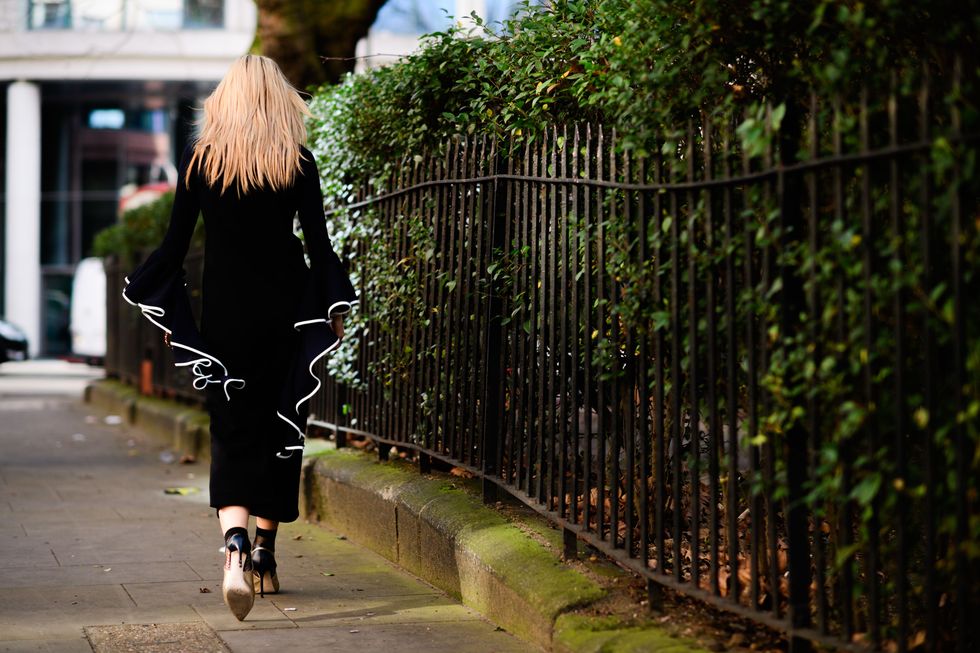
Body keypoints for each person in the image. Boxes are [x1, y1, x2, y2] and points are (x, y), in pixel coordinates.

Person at [122, 55, 357, 621]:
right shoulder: (297, 162)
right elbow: (320, 247)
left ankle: (233, 549)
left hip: (225, 312)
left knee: (232, 428)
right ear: (281, 103)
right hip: (286, 308)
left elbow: (176, 245)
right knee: (281, 423)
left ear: (223, 102)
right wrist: (335, 304)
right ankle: (266, 557)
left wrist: (154, 290)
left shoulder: (200, 160)